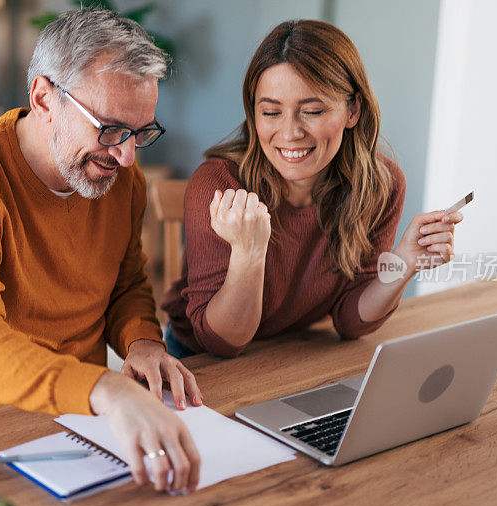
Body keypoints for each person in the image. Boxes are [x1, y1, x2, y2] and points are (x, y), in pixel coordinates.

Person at [0, 8, 202, 493]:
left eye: (141, 132)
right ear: (43, 98)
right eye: (111, 128)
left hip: (79, 424)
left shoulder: (122, 179)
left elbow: (126, 283)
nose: (126, 155)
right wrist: (107, 391)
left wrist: (142, 341)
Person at [162, 20, 463, 358]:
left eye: (313, 111)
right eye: (271, 111)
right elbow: (222, 343)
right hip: (198, 359)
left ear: (353, 110)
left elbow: (351, 320)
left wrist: (404, 263)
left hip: (293, 352)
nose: (290, 133)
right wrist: (249, 253)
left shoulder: (380, 185)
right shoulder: (220, 185)